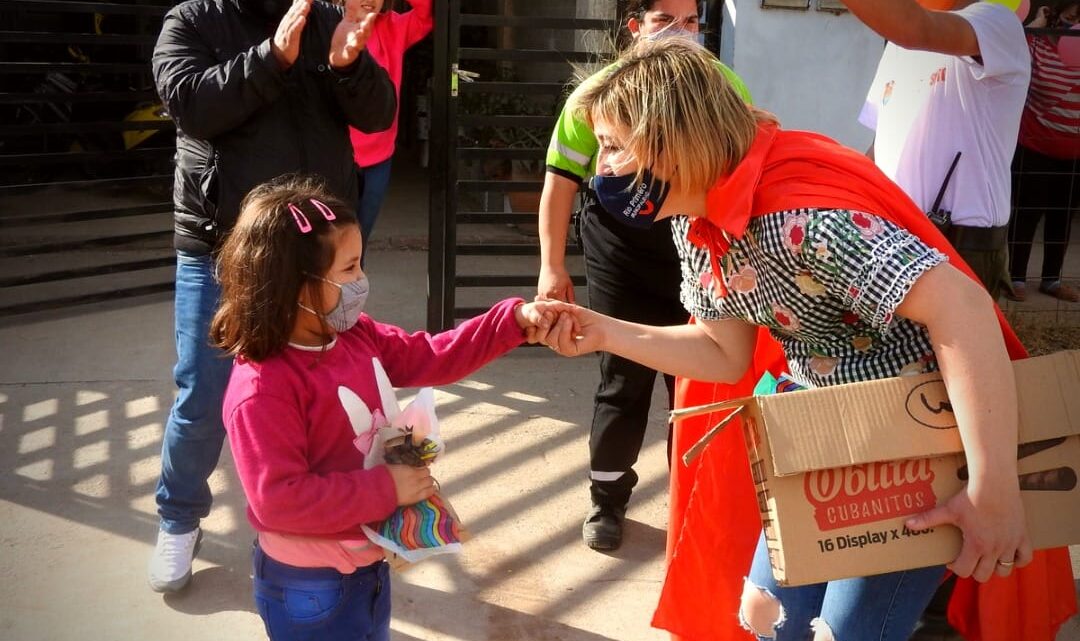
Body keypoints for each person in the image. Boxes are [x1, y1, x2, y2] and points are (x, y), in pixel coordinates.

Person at [544, 37, 1076, 641]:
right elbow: (723, 352)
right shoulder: (696, 222)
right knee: (768, 617)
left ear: (671, 138)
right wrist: (602, 331)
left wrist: (992, 489)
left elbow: (964, 308)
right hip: (824, 435)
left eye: (614, 145)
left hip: (916, 441)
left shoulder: (803, 223)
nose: (602, 167)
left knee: (843, 633)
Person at [211, 175, 564, 641]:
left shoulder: (354, 334)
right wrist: (385, 488)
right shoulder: (263, 389)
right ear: (296, 284)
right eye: (349, 268)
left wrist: (512, 321)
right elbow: (279, 499)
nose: (361, 281)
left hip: (367, 563)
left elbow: (430, 355)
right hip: (310, 586)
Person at [148, 0, 397, 593]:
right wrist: (270, 59)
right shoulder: (192, 21)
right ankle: (179, 517)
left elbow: (379, 113)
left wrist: (348, 67)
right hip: (222, 246)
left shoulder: (325, 19)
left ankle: (320, 517)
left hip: (312, 256)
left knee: (326, 388)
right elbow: (190, 104)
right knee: (205, 391)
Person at [537, 0, 753, 551]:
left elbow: (740, 172)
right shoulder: (599, 97)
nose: (680, 32)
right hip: (620, 245)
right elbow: (560, 181)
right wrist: (551, 265)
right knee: (624, 373)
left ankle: (692, 501)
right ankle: (607, 499)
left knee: (694, 380)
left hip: (691, 233)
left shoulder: (721, 87)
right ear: (635, 27)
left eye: (692, 22)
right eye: (665, 21)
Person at [854, 0, 1031, 302]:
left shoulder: (996, 22)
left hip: (958, 247)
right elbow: (881, 143)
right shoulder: (899, 45)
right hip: (890, 234)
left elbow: (914, 28)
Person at [345, 0, 433, 260]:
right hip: (335, 154)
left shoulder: (393, 26)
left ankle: (354, 287)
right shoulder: (326, 25)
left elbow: (425, 15)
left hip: (378, 157)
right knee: (333, 239)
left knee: (360, 239)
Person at [1006, 0, 1080, 302]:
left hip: (1074, 154)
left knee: (1062, 217)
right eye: (1070, 16)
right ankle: (1015, 277)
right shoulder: (1036, 44)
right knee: (1027, 214)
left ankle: (1052, 279)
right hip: (1034, 145)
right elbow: (1011, 58)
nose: (1073, 24)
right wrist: (1033, 28)